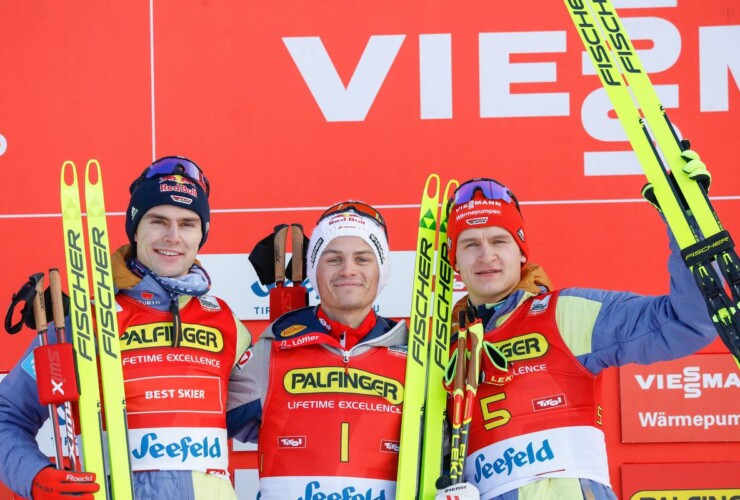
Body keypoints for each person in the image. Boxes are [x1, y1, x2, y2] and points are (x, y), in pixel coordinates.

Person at [436, 151, 717, 500]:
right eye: (470, 244)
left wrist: (689, 220)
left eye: (499, 241)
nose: (486, 256)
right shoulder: (435, 349)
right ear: (455, 260)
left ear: (521, 251)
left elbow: (688, 322)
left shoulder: (565, 313)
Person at [0, 156, 252, 499]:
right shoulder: (81, 323)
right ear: (136, 227)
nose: (173, 236)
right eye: (158, 220)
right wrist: (36, 477)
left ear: (202, 234)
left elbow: (273, 418)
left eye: (188, 223)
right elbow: (7, 416)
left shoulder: (226, 323)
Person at [227, 201, 409, 499]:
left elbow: (444, 451)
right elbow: (198, 421)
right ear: (314, 269)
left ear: (382, 270)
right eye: (333, 259)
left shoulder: (411, 352)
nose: (348, 270)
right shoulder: (272, 349)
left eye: (363, 259)